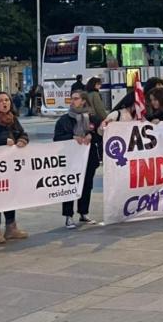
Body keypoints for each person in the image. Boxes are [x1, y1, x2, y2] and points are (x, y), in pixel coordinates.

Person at [0, 92, 30, 244]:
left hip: (10, 165)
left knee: (10, 195)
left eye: (7, 100)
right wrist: (3, 140)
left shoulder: (13, 119)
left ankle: (11, 228)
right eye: (1, 100)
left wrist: (22, 140)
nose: (5, 103)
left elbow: (23, 134)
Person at [53, 91, 100, 229]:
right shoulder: (64, 120)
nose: (72, 101)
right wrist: (72, 138)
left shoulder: (92, 118)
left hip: (88, 158)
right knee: (69, 186)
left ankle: (83, 212)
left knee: (86, 185)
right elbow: (57, 139)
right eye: (71, 99)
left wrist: (92, 135)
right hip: (70, 159)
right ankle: (68, 215)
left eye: (76, 99)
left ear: (83, 101)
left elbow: (101, 136)